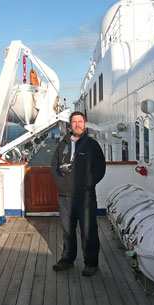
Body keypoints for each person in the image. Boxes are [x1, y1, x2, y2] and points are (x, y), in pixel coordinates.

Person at [50, 111, 106, 276]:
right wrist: (61, 184)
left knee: (89, 230)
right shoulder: (63, 144)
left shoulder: (92, 145)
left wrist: (86, 184)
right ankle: (67, 260)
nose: (77, 124)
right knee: (67, 230)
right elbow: (54, 166)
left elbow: (100, 169)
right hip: (65, 197)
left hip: (85, 197)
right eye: (74, 122)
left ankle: (91, 263)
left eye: (80, 121)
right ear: (70, 125)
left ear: (85, 124)